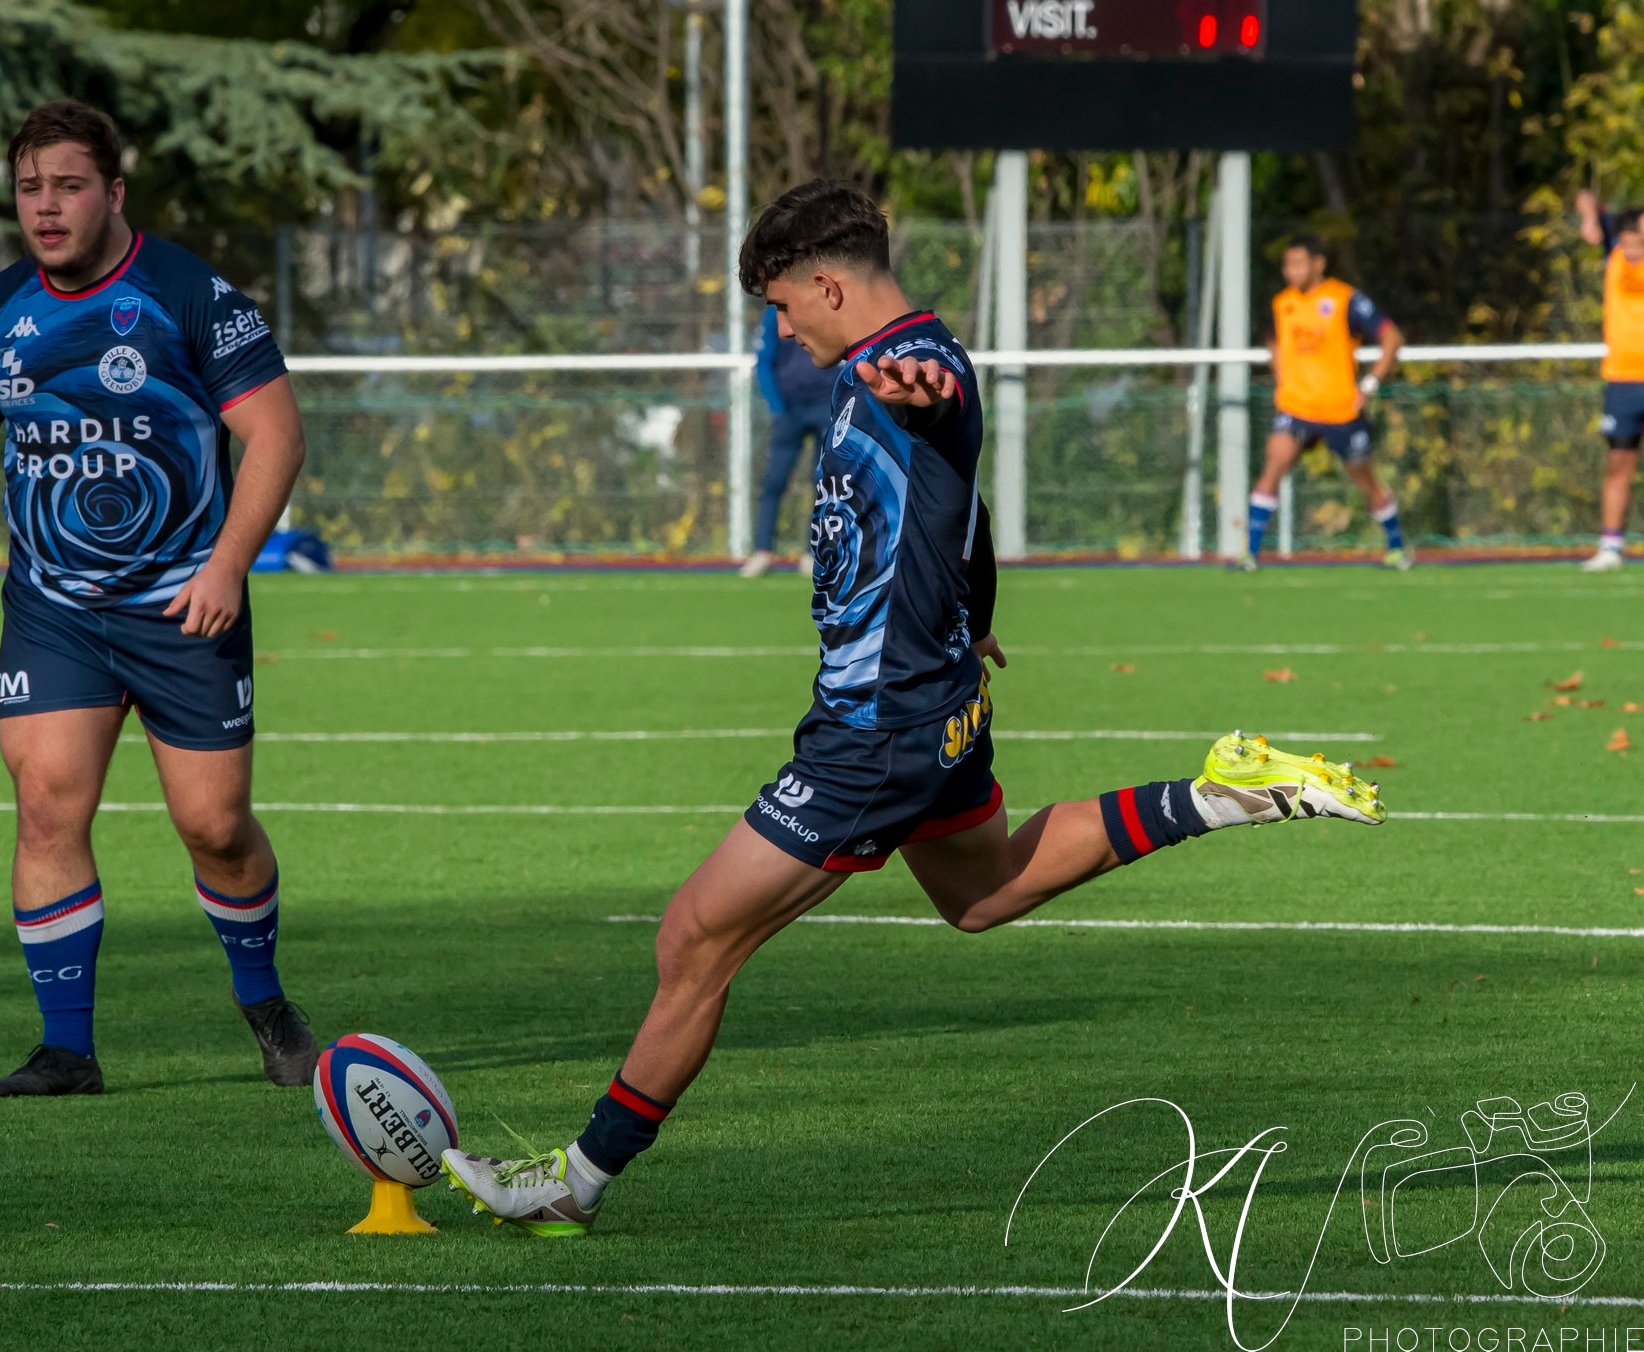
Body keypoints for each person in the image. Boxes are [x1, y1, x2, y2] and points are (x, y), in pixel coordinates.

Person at [439, 180, 1386, 1236]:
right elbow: (961, 501)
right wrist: (966, 611)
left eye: (783, 307)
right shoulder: (870, 365)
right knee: (981, 891)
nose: (782, 331)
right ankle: (1223, 793)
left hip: (876, 730)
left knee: (693, 937)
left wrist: (917, 387)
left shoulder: (908, 368)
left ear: (827, 283)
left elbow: (935, 404)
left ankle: (572, 1180)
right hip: (930, 700)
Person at [0, 100, 317, 1097]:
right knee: (46, 804)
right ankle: (67, 1047)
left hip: (185, 605)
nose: (45, 208)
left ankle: (262, 1000)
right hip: (54, 610)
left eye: (69, 185)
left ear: (114, 191)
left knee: (215, 826)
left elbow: (275, 435)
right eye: (29, 188)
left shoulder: (191, 296)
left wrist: (226, 565)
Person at [1234, 236, 1407, 571]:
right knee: (1274, 465)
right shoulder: (1282, 303)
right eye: (1287, 265)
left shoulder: (1344, 299)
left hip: (1340, 409)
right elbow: (1273, 339)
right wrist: (1283, 376)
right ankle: (1250, 554)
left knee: (1365, 480)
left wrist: (1369, 385)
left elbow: (1392, 337)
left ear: (1318, 264)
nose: (1291, 271)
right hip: (1296, 407)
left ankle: (1397, 547)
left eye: (1298, 264)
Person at [739, 302, 841, 577]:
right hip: (789, 410)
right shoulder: (775, 312)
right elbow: (764, 360)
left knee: (824, 482)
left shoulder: (831, 306)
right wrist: (777, 405)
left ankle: (813, 553)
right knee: (774, 480)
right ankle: (762, 551)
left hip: (826, 408)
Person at [1574, 193, 1644, 573]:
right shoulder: (1614, 254)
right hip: (1622, 380)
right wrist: (1587, 217)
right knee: (1619, 461)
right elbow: (1586, 197)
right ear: (1627, 236)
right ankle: (1611, 545)